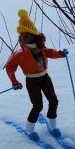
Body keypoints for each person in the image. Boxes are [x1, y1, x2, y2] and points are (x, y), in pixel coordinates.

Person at [5, 9, 68, 141]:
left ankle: (52, 127)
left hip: (45, 78)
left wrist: (60, 54)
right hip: (32, 81)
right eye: (21, 35)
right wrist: (14, 81)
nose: (23, 38)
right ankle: (29, 130)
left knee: (53, 100)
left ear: (34, 35)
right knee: (38, 105)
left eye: (26, 35)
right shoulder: (19, 54)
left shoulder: (40, 48)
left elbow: (50, 52)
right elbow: (10, 67)